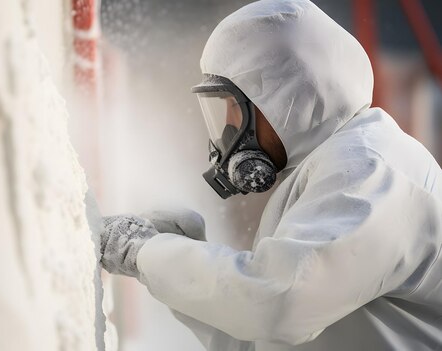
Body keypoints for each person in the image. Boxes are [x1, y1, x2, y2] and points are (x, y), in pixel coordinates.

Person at [99, 0, 442, 350]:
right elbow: (259, 337)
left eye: (234, 107)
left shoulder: (370, 169)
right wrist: (178, 261)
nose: (229, 129)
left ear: (286, 96)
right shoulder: (321, 170)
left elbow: (278, 304)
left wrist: (147, 253)